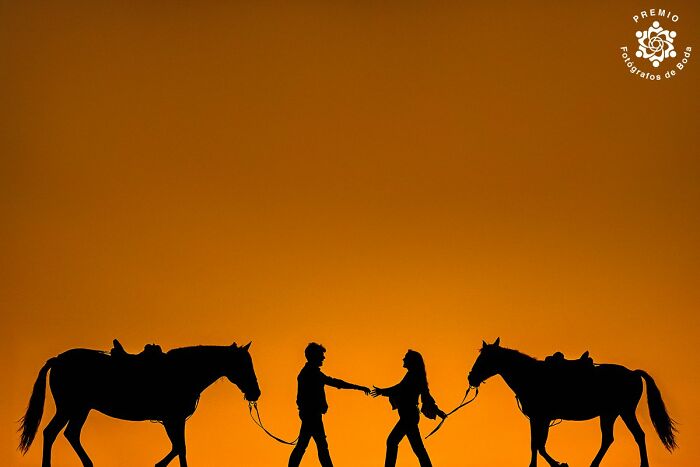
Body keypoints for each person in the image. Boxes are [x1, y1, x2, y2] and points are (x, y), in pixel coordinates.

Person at [288, 342, 370, 467]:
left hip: (310, 415)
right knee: (319, 447)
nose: (323, 358)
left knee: (306, 446)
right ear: (314, 356)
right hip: (312, 415)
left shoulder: (309, 372)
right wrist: (358, 387)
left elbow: (333, 383)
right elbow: (336, 383)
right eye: (321, 355)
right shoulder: (311, 373)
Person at [371, 350, 446, 467]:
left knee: (392, 441)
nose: (403, 359)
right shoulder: (414, 375)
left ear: (411, 361)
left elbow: (399, 389)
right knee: (417, 448)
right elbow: (425, 395)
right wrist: (438, 411)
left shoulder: (414, 376)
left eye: (406, 357)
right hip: (410, 416)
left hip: (409, 416)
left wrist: (382, 391)